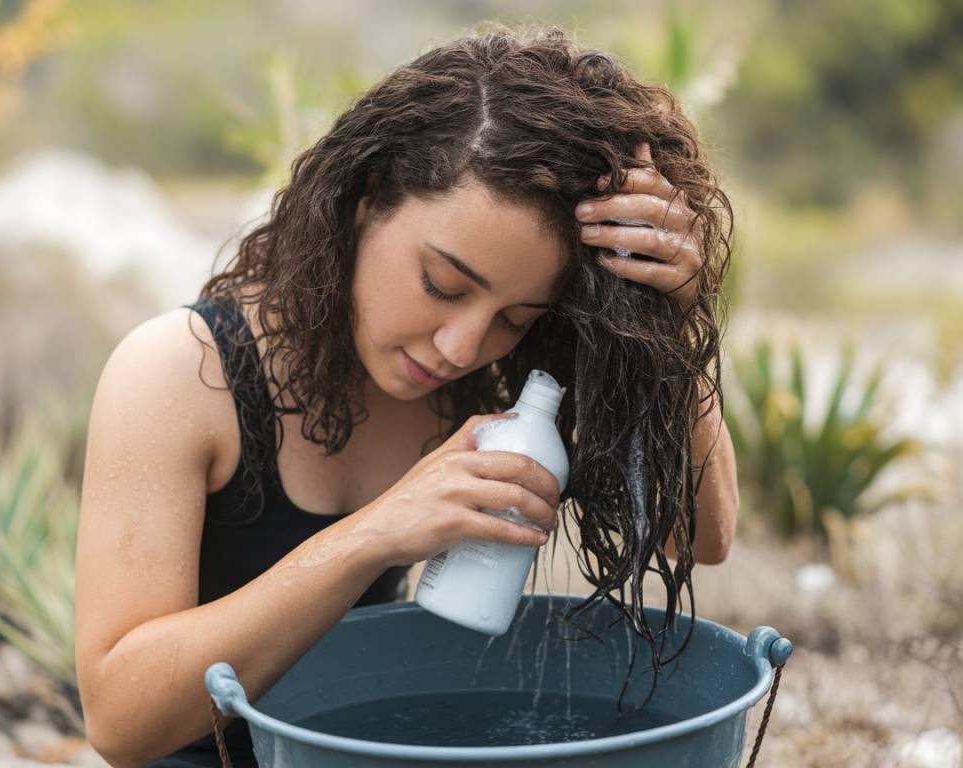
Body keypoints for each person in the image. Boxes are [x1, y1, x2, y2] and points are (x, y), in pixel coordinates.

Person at [74, 23, 738, 768]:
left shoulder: (493, 384)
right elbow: (118, 720)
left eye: (518, 319)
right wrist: (375, 534)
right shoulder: (181, 374)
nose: (461, 347)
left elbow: (699, 539)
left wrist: (668, 326)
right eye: (442, 285)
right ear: (363, 202)